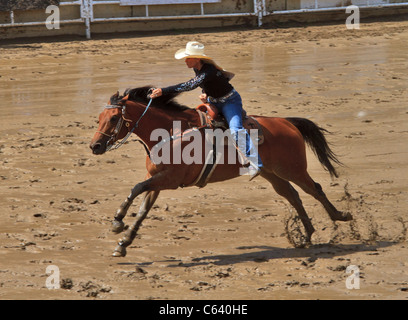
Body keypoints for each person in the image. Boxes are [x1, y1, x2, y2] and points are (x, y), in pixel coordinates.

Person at [150, 41, 262, 179]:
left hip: (230, 102)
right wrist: (206, 93)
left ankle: (256, 164)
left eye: (188, 58)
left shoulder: (209, 70)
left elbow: (190, 85)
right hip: (213, 101)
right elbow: (205, 83)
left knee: (235, 129)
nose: (185, 61)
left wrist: (163, 91)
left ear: (196, 59)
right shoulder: (198, 68)